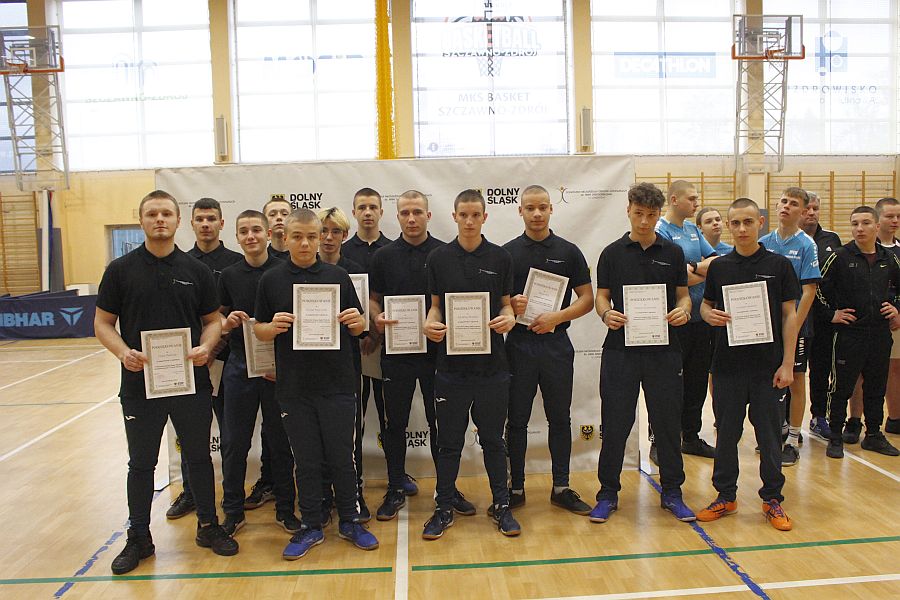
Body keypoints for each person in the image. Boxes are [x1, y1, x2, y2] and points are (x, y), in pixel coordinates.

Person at [94, 190, 239, 575]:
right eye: (152, 214)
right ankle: (139, 537)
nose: (159, 219)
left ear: (177, 221)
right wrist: (123, 352)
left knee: (199, 457)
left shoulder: (197, 271)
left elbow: (212, 320)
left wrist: (206, 346)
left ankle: (208, 526)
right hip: (138, 385)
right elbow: (102, 323)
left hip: (190, 382)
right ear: (141, 220)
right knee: (141, 463)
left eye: (166, 214)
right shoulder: (120, 270)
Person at [254, 208, 379, 560]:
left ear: (320, 237)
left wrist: (356, 321)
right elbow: (259, 329)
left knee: (342, 458)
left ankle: (350, 520)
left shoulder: (338, 276)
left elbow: (360, 328)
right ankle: (311, 524)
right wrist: (271, 327)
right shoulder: (271, 280)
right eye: (297, 237)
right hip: (294, 387)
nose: (305, 243)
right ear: (285, 238)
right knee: (306, 460)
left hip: (338, 383)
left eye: (312, 236)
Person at [590, 182, 696, 524]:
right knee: (615, 423)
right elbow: (601, 296)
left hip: (664, 350)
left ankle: (672, 492)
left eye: (651, 215)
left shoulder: (673, 253)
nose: (645, 221)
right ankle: (607, 494)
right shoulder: (611, 253)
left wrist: (684, 310)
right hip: (620, 350)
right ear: (628, 211)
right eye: (639, 214)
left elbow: (683, 295)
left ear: (659, 214)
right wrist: (606, 313)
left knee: (667, 423)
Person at [369, 190, 476, 521]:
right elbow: (373, 298)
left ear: (429, 215)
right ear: (397, 217)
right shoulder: (383, 256)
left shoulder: (445, 254)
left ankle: (447, 489)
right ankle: (395, 487)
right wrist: (375, 317)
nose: (411, 218)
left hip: (438, 354)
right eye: (405, 213)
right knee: (395, 424)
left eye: (417, 212)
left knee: (440, 423)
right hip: (396, 354)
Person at [422, 189, 520, 539]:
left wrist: (509, 317)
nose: (469, 221)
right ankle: (443, 508)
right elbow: (435, 306)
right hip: (451, 369)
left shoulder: (501, 257)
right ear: (454, 216)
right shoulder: (438, 258)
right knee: (449, 443)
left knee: (493, 440)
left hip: (492, 367)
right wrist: (429, 323)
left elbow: (506, 303)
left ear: (484, 217)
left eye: (475, 215)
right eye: (463, 215)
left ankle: (502, 506)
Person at [696, 197, 799, 531]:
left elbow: (789, 315)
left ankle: (772, 499)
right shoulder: (719, 267)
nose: (742, 229)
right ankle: (726, 496)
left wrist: (787, 363)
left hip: (768, 367)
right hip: (727, 366)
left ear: (760, 223)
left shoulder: (779, 265)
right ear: (729, 226)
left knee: (769, 436)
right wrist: (707, 315)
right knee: (726, 434)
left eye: (748, 222)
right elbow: (706, 305)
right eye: (736, 223)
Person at [503, 185, 594, 515]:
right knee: (516, 420)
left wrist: (559, 316)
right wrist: (511, 305)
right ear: (520, 211)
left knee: (559, 418)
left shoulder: (569, 252)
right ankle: (515, 488)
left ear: (551, 209)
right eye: (530, 208)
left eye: (542, 207)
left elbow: (587, 298)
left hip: (556, 345)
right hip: (519, 344)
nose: (537, 213)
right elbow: (498, 303)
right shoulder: (507, 253)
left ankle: (561, 487)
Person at [217, 210, 301, 536]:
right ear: (237, 237)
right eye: (244, 231)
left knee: (280, 442)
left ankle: (285, 509)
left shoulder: (283, 271)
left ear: (268, 234)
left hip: (277, 367)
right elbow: (217, 320)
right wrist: (226, 324)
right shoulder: (228, 274)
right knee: (234, 443)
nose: (250, 236)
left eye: (256, 230)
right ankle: (233, 512)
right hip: (239, 366)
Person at [167, 197, 243, 520]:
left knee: (230, 434)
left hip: (227, 360)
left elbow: (237, 313)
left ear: (221, 223)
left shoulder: (236, 263)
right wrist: (199, 351)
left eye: (212, 218)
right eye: (200, 219)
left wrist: (214, 348)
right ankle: (191, 493)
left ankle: (230, 497)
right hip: (191, 362)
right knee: (191, 435)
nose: (206, 224)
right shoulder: (180, 263)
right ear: (191, 223)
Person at [817, 206, 900, 458]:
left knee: (876, 387)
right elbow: (816, 289)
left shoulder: (889, 258)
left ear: (877, 227)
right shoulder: (839, 257)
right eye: (855, 224)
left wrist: (897, 309)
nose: (860, 228)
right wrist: (832, 314)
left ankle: (873, 434)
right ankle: (835, 436)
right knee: (841, 388)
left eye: (865, 223)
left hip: (880, 334)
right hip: (848, 335)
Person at [655, 181, 718, 461]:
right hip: (674, 319)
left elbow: (715, 262)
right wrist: (694, 272)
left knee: (696, 381)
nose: (696, 203)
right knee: (668, 384)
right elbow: (672, 277)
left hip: (700, 318)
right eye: (691, 198)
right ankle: (659, 441)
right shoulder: (661, 230)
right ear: (674, 200)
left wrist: (692, 269)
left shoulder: (693, 229)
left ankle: (690, 437)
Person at [758, 188, 821, 466]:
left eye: (793, 203)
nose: (786, 206)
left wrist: (794, 324)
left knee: (794, 379)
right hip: (766, 325)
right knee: (768, 379)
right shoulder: (764, 242)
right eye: (783, 201)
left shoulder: (806, 245)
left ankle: (793, 439)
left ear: (803, 211)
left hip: (795, 324)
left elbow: (809, 290)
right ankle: (774, 431)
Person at [317, 206, 370, 523]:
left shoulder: (354, 270)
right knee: (317, 437)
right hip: (311, 365)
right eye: (323, 231)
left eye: (335, 231)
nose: (328, 237)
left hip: (346, 364)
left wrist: (360, 324)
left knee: (351, 433)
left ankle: (355, 492)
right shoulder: (302, 270)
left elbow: (362, 325)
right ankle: (324, 495)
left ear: (344, 235)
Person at [242, 196, 294, 510]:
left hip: (288, 363)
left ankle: (291, 493)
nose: (278, 218)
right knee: (263, 429)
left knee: (283, 428)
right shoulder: (256, 266)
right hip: (250, 359)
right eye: (272, 214)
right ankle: (268, 481)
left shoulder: (296, 265)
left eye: (284, 213)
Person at [343, 188, 391, 472]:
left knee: (390, 416)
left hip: (385, 344)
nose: (368, 212)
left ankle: (396, 474)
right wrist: (362, 334)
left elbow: (392, 297)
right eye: (362, 207)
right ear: (354, 212)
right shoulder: (344, 252)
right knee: (352, 417)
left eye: (373, 207)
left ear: (381, 212)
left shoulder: (393, 250)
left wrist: (375, 334)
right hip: (353, 348)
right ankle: (354, 476)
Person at [800, 191, 842, 440]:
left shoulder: (832, 239)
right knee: (795, 372)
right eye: (807, 208)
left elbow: (838, 280)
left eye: (815, 208)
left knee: (821, 369)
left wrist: (832, 312)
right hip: (797, 317)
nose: (811, 213)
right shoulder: (787, 240)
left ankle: (819, 416)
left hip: (825, 319)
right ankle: (787, 422)